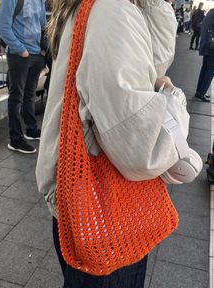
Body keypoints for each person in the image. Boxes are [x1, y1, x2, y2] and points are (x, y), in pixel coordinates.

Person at [36, 0, 202, 287]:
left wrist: (152, 6)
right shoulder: (112, 10)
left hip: (86, 204)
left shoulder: (102, 8)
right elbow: (144, 147)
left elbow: (144, 65)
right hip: (104, 217)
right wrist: (173, 98)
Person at [0, 0, 47, 154]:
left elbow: (43, 24)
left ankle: (31, 130)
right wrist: (21, 50)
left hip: (37, 54)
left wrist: (43, 51)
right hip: (19, 55)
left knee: (29, 95)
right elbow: (2, 27)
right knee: (16, 97)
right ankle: (16, 140)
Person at [195, 8, 214, 102]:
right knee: (210, 71)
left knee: (205, 69)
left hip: (207, 46)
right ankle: (201, 93)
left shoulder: (210, 13)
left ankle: (199, 91)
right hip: (212, 48)